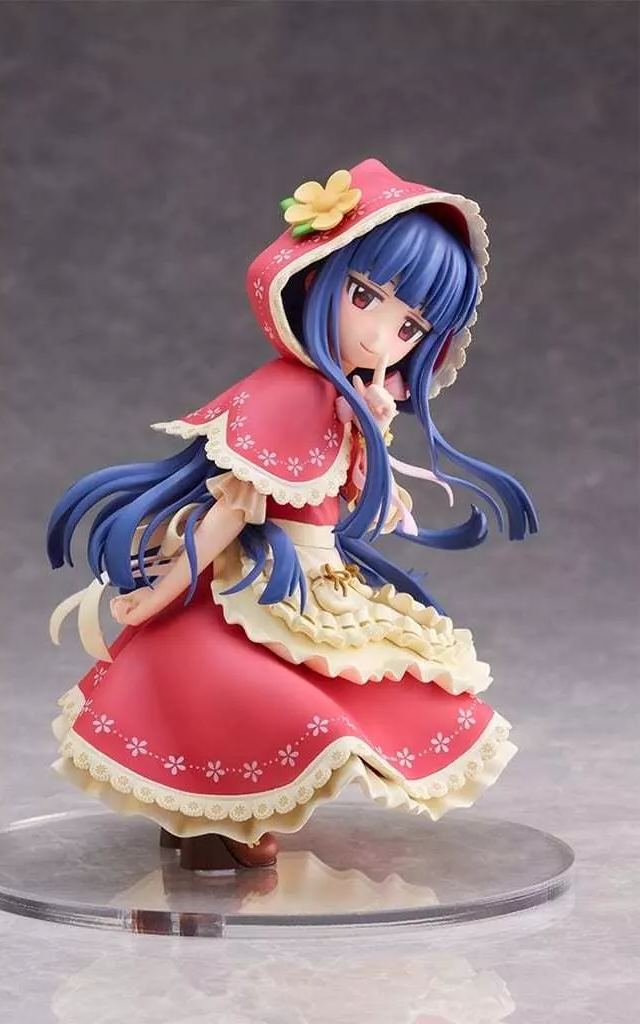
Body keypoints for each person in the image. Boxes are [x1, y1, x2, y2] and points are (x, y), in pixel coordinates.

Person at [47, 158, 538, 871]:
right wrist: (161, 590)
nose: (381, 337)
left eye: (409, 326)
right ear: (316, 278)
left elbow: (356, 506)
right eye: (365, 297)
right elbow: (230, 509)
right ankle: (215, 822)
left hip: (314, 580)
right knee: (254, 697)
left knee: (357, 686)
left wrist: (372, 427)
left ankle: (205, 820)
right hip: (262, 580)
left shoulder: (337, 398)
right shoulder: (287, 395)